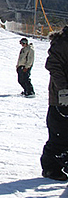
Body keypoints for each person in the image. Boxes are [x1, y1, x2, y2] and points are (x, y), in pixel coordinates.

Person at [41, 25, 68, 180]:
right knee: (60, 133)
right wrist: (63, 89)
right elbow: (53, 65)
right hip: (61, 98)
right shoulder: (62, 42)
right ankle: (51, 168)